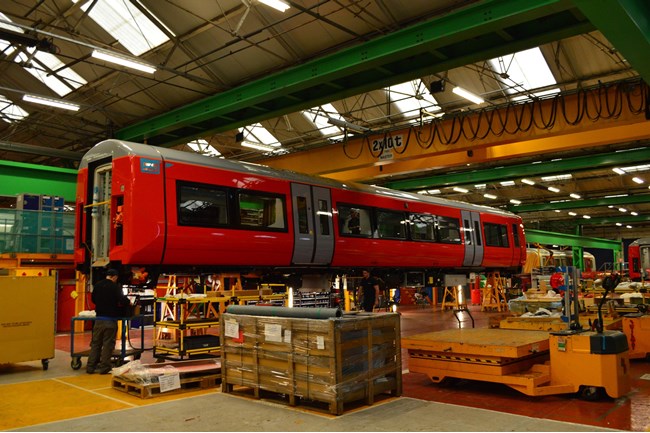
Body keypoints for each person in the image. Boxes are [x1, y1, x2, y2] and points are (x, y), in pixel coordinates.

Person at [87, 269, 130, 374]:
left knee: (95, 344)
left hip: (98, 320)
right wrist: (128, 302)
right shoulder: (115, 287)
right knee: (107, 344)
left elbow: (93, 299)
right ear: (114, 277)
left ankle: (90, 367)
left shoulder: (97, 285)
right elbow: (123, 300)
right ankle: (104, 367)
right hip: (110, 320)